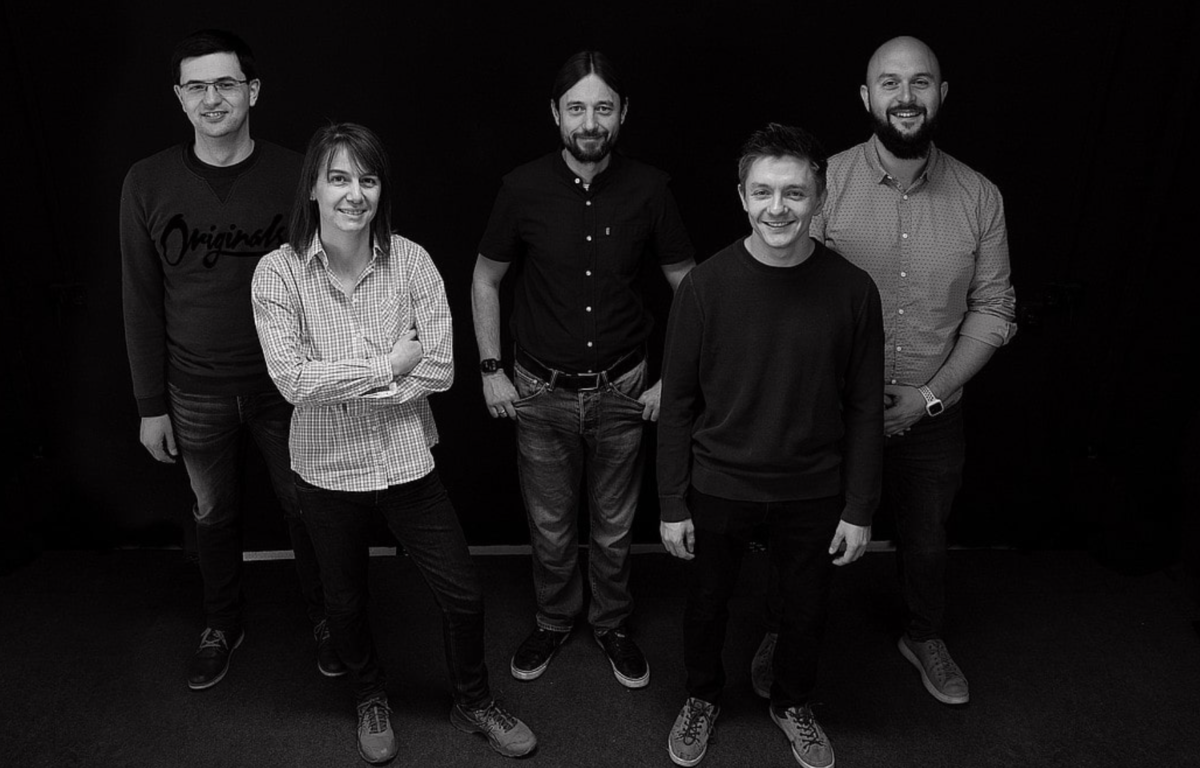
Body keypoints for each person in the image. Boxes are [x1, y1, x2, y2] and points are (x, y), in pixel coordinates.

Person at [252, 123, 537, 764]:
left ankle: (473, 699)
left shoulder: (412, 260)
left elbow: (441, 368)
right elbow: (294, 381)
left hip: (406, 459)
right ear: (314, 191)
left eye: (368, 180)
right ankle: (370, 695)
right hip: (325, 469)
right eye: (341, 178)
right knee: (345, 601)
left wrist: (382, 371)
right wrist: (389, 365)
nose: (356, 194)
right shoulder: (278, 274)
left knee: (463, 594)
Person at [752, 35, 1017, 707]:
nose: (906, 97)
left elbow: (994, 309)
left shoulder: (981, 197)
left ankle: (923, 635)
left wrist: (929, 395)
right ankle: (784, 631)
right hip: (831, 412)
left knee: (925, 541)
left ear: (941, 95)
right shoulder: (823, 184)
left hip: (933, 411)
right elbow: (786, 294)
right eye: (890, 84)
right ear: (868, 98)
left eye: (920, 82)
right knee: (802, 536)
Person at [120, 28, 340, 691]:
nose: (211, 98)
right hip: (194, 389)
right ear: (179, 97)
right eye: (196, 86)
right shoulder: (147, 182)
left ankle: (330, 619)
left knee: (306, 507)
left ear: (252, 91)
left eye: (225, 83)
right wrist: (149, 405)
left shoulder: (297, 173)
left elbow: (330, 281)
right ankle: (222, 621)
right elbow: (140, 299)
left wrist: (329, 380)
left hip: (288, 385)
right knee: (212, 514)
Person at [658, 123, 883, 768]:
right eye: (762, 192)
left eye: (793, 193)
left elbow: (867, 408)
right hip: (719, 482)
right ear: (741, 195)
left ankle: (792, 703)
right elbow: (676, 404)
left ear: (819, 197)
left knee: (807, 610)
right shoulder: (704, 287)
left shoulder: (852, 290)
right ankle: (702, 697)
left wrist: (861, 507)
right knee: (706, 604)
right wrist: (673, 502)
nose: (777, 208)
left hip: (813, 487)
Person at [471, 50, 695, 689]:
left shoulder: (652, 189)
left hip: (626, 389)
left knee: (616, 524)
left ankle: (613, 625)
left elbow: (693, 287)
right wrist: (491, 368)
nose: (589, 121)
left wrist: (671, 378)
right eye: (577, 108)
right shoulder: (521, 187)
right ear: (555, 115)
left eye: (602, 107)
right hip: (539, 391)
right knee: (549, 523)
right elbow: (486, 279)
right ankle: (552, 619)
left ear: (623, 113)